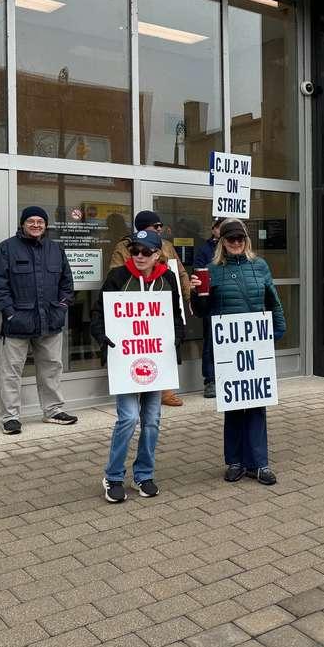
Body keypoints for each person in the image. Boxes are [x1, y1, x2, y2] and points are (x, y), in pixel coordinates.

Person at [190, 218, 286, 485]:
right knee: (233, 406)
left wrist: (277, 330)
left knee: (256, 405)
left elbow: (273, 301)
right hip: (228, 349)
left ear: (246, 241)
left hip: (255, 345)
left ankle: (260, 463)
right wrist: (196, 294)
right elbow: (201, 312)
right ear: (222, 242)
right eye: (230, 239)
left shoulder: (260, 266)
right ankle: (234, 462)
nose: (235, 243)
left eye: (240, 239)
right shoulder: (212, 269)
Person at [92, 229, 184, 504]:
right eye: (135, 251)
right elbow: (99, 313)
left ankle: (143, 474)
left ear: (158, 255)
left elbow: (175, 315)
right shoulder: (118, 277)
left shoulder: (167, 278)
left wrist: (177, 338)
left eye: (146, 251)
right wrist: (101, 336)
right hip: (126, 362)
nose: (140, 256)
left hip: (155, 360)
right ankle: (114, 476)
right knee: (129, 418)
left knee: (152, 421)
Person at [0, 206, 78, 434]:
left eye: (40, 221)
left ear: (46, 225)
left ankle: (53, 411)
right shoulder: (6, 249)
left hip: (50, 321)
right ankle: (10, 418)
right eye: (31, 221)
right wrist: (10, 313)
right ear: (23, 224)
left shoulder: (55, 249)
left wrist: (61, 308)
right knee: (11, 372)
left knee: (51, 368)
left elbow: (67, 284)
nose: (36, 225)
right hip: (17, 322)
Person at [109, 210, 190, 407]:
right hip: (133, 311)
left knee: (161, 346)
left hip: (159, 309)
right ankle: (133, 387)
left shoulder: (167, 246)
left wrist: (187, 296)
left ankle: (166, 390)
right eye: (156, 226)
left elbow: (180, 272)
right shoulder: (123, 246)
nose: (160, 229)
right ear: (144, 228)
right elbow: (116, 275)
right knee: (136, 347)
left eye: (160, 226)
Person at [193, 218, 224, 398]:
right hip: (211, 303)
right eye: (220, 227)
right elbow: (200, 274)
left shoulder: (234, 248)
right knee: (211, 344)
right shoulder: (205, 250)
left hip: (229, 303)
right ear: (213, 229)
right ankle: (210, 380)